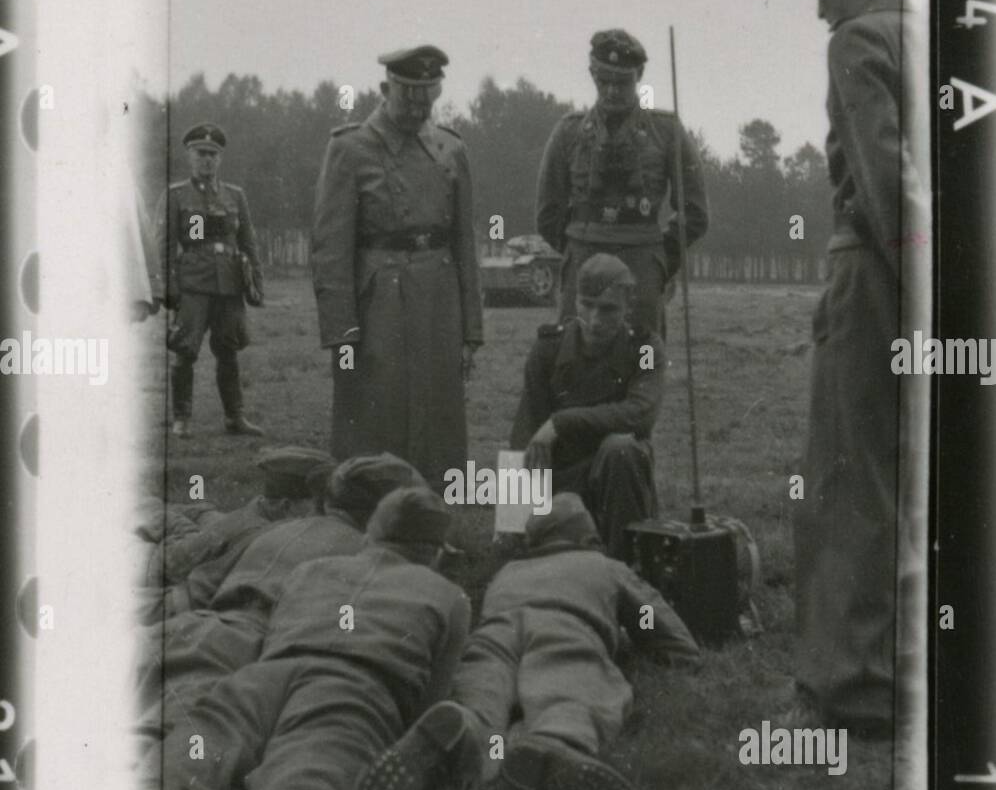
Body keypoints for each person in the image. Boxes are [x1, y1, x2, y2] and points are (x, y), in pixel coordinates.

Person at [141, 487, 470, 790]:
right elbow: (431, 699)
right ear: (435, 552)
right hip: (358, 687)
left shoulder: (310, 570)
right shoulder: (449, 596)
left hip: (265, 673)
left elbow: (273, 630)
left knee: (201, 745)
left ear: (370, 534)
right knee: (309, 780)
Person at [785, 0, 926, 737]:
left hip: (875, 274)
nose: (817, 8)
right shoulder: (939, 37)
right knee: (909, 478)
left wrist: (913, 284)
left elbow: (883, 180)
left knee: (846, 478)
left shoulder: (856, 44)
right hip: (934, 273)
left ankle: (851, 690)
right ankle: (904, 671)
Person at [358, 493, 700, 790]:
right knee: (572, 691)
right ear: (588, 538)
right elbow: (664, 629)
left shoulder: (506, 573)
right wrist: (645, 644)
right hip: (566, 631)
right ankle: (555, 740)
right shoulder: (603, 565)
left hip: (494, 635)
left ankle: (465, 725)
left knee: (482, 690)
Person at [134, 453, 426, 747]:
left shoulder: (274, 528)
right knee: (160, 749)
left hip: (188, 628)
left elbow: (208, 578)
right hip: (239, 655)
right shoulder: (368, 561)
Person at [311, 46, 483, 491]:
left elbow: (465, 242)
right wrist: (341, 335)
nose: (417, 108)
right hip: (378, 304)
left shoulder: (451, 148)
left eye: (427, 99)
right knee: (376, 406)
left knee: (437, 407)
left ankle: (433, 513)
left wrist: (470, 329)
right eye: (407, 97)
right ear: (385, 89)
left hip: (439, 300)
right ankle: (366, 506)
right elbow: (330, 249)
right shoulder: (349, 149)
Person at [536, 29, 709, 336]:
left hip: (641, 266)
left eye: (622, 82)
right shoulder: (568, 133)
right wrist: (576, 249)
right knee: (574, 358)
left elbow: (694, 213)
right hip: (582, 264)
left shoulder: (666, 132)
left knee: (642, 359)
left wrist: (659, 260)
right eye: (604, 81)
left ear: (638, 76)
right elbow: (548, 213)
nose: (612, 91)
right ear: (592, 76)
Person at [510, 253, 663, 558]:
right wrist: (513, 528)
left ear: (628, 307)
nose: (595, 320)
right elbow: (526, 436)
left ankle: (624, 566)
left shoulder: (644, 349)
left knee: (620, 448)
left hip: (619, 482)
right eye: (586, 304)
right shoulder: (548, 349)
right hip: (562, 483)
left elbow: (640, 415)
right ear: (574, 301)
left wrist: (561, 422)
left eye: (608, 309)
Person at [133, 446, 334, 625]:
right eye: (318, 505)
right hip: (154, 565)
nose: (325, 511)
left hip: (187, 550)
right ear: (286, 506)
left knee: (202, 514)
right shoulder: (259, 534)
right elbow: (181, 574)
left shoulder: (262, 512)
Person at [153, 122, 264, 438]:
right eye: (201, 154)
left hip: (229, 285)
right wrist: (168, 287)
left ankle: (235, 417)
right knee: (185, 350)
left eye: (213, 155)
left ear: (220, 159)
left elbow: (249, 241)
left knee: (228, 349)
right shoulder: (176, 195)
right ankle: (182, 418)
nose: (207, 161)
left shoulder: (235, 196)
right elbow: (164, 244)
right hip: (193, 285)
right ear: (190, 156)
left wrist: (256, 280)